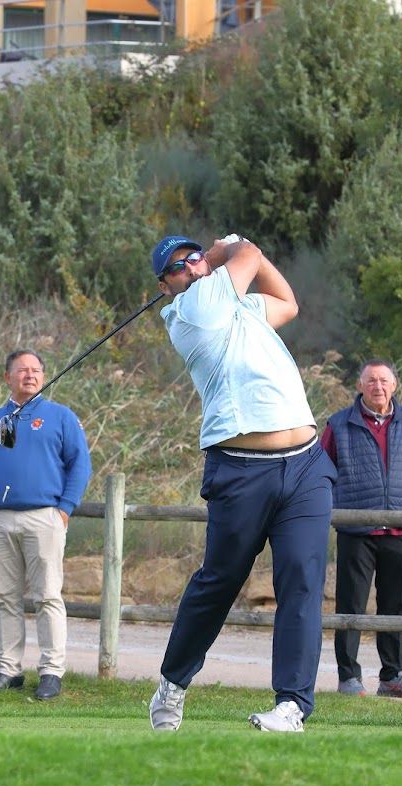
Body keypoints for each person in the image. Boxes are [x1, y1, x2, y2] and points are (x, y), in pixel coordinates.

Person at [147, 234, 336, 733]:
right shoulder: (190, 310)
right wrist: (227, 246)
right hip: (240, 469)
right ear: (166, 286)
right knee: (220, 581)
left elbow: (288, 303)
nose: (189, 266)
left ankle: (292, 705)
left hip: (306, 466)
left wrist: (232, 250)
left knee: (301, 580)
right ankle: (173, 682)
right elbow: (246, 258)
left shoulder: (237, 306)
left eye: (192, 258)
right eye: (177, 266)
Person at [0, 350, 92, 702]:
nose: (30, 376)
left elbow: (80, 466)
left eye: (36, 371)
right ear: (8, 377)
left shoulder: (61, 418)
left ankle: (51, 671)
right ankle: (8, 668)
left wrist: (64, 509)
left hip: (44, 517)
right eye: (22, 371)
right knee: (4, 596)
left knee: (47, 595)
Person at [321, 359, 402, 698]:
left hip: (400, 527)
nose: (377, 387)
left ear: (394, 385)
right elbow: (324, 469)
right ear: (359, 385)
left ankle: (393, 676)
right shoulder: (339, 424)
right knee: (351, 605)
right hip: (357, 529)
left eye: (383, 381)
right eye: (370, 381)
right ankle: (348, 677)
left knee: (394, 606)